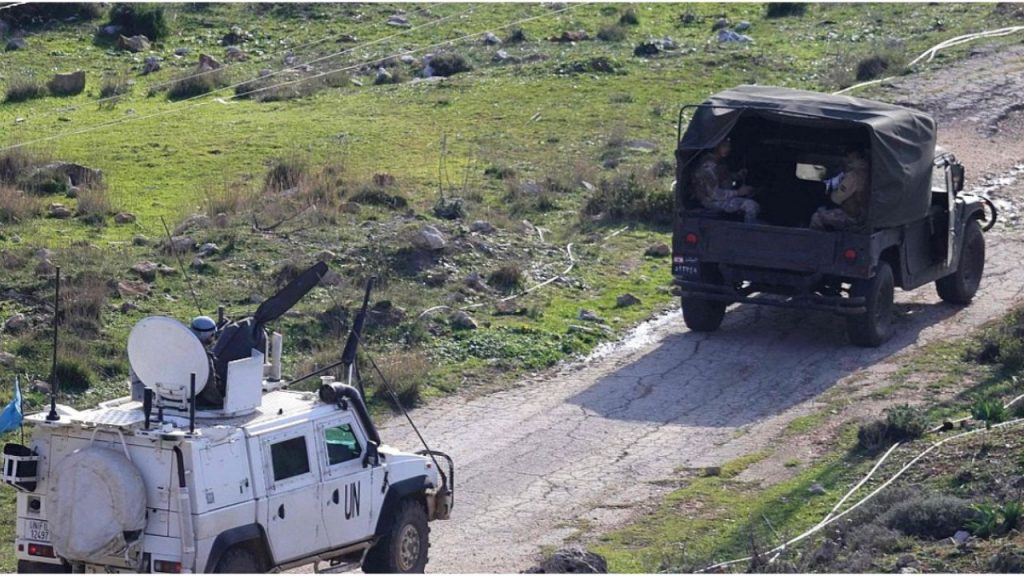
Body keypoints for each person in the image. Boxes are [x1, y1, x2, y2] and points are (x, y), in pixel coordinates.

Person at [691, 138, 760, 223]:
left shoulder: (719, 162)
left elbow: (725, 177)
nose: (728, 149)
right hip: (711, 201)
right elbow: (714, 194)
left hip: (721, 198)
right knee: (751, 206)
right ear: (716, 146)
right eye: (724, 146)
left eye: (729, 146)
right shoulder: (708, 167)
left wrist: (738, 175)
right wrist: (738, 192)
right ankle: (749, 233)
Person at [810, 148, 869, 230]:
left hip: (852, 218)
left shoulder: (853, 175)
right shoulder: (866, 173)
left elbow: (837, 198)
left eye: (848, 156)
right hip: (862, 216)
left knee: (816, 218)